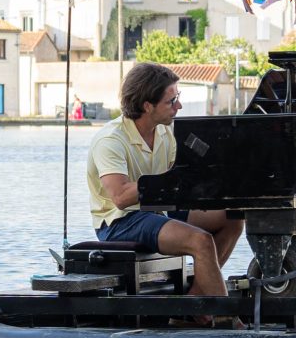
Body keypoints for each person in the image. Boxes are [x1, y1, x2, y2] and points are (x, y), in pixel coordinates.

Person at [86, 61, 244, 297]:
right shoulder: (110, 140)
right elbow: (120, 197)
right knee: (200, 241)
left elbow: (180, 180)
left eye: (177, 97)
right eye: (171, 101)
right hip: (120, 222)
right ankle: (226, 319)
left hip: (155, 210)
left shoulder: (164, 133)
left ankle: (196, 300)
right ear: (147, 106)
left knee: (233, 215)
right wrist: (177, 178)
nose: (178, 105)